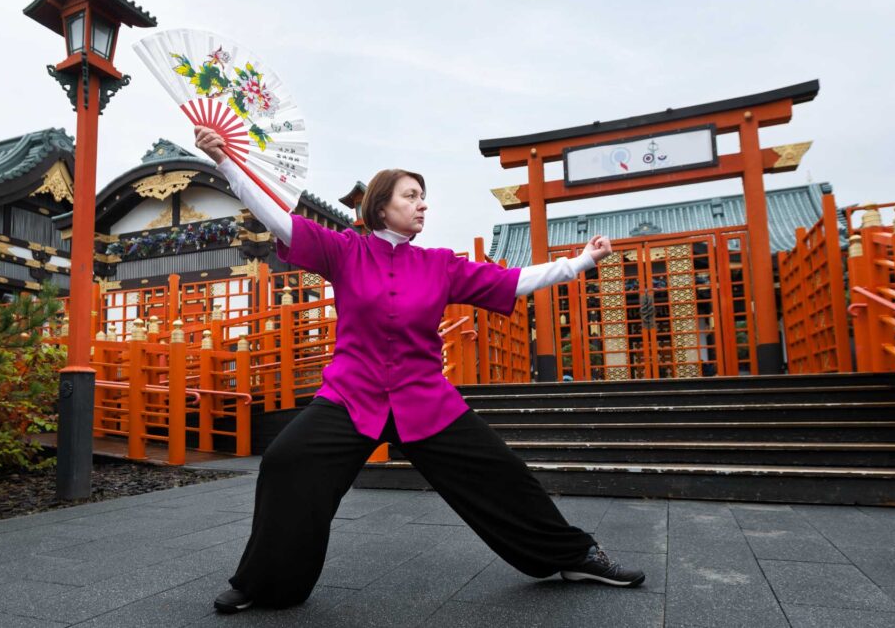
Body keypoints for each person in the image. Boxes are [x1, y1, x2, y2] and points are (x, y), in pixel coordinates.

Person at [192, 127, 645, 614]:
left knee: (503, 472)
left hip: (424, 397)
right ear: (381, 207)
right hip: (351, 395)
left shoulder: (438, 265)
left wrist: (579, 262)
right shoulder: (345, 251)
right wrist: (225, 164)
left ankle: (576, 555)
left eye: (424, 197)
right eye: (411, 196)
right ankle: (265, 583)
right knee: (285, 462)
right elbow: (280, 223)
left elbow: (512, 281)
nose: (423, 205)